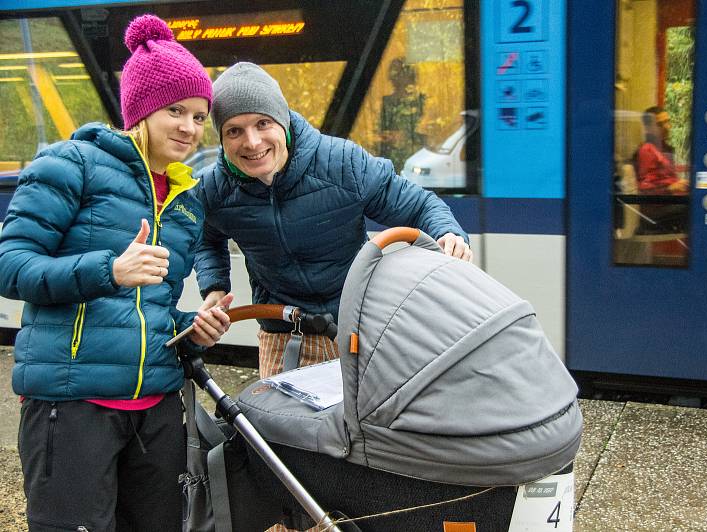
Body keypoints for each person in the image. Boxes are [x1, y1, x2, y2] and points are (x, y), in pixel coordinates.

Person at [0, 15, 233, 531]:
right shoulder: (71, 165)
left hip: (154, 410)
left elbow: (153, 310)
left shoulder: (185, 201)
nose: (189, 128)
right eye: (176, 111)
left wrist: (193, 331)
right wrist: (110, 269)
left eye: (199, 116)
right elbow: (10, 266)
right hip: (72, 403)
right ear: (142, 109)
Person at [194, 62, 471, 382]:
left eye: (263, 123)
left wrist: (448, 233)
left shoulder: (343, 164)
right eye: (234, 130)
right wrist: (214, 287)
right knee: (283, 430)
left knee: (370, 429)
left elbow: (419, 205)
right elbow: (206, 235)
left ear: (282, 121)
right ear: (222, 138)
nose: (252, 142)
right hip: (284, 337)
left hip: (362, 328)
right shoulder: (213, 189)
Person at [633, 106, 690, 233]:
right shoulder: (646, 151)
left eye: (667, 121)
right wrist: (671, 188)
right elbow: (643, 190)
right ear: (648, 129)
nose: (667, 127)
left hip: (668, 204)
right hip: (655, 213)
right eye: (660, 124)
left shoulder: (663, 149)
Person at [379, 57, 426, 170]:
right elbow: (380, 132)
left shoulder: (421, 101)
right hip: (392, 162)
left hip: (417, 162)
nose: (394, 77)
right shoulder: (387, 102)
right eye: (393, 72)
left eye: (399, 72)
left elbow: (429, 133)